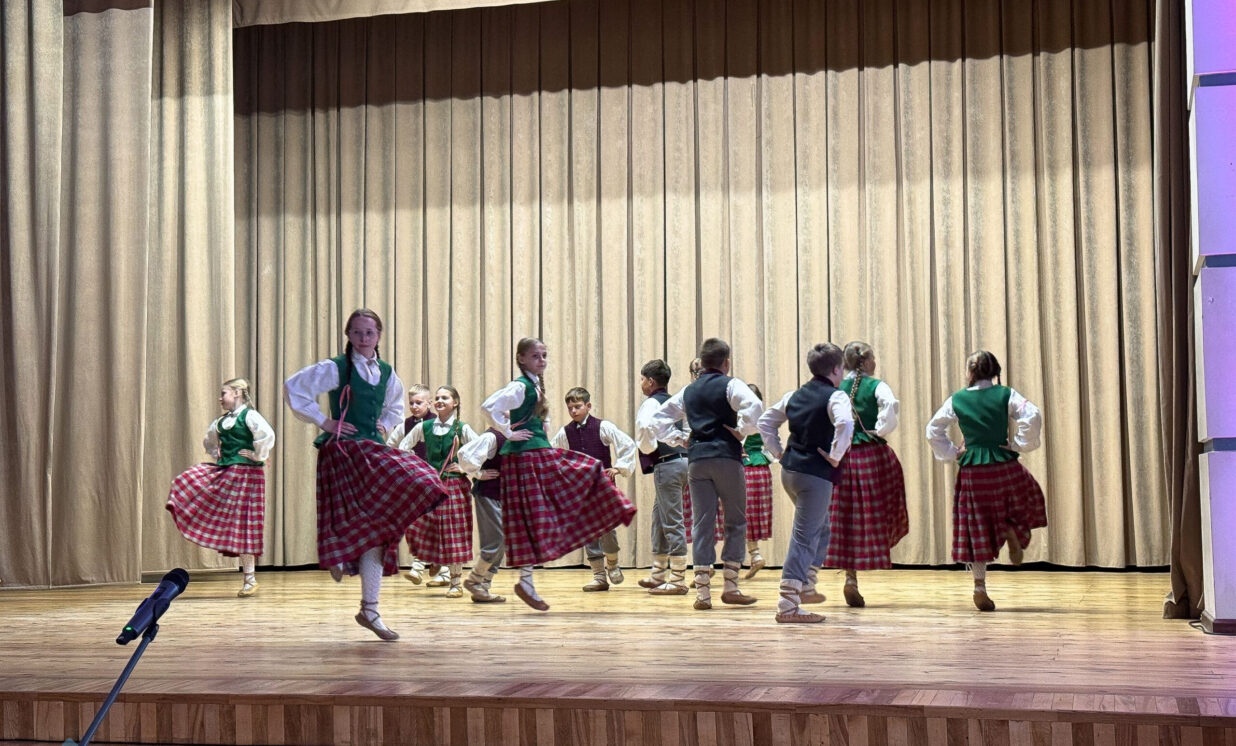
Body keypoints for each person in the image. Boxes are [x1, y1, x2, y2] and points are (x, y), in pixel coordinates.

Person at [284, 308, 446, 640]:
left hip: (371, 449)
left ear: (378, 336)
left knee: (386, 522)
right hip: (343, 452)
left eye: (369, 332)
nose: (363, 338)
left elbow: (394, 406)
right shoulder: (337, 367)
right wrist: (325, 421)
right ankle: (340, 554)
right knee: (355, 520)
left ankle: (369, 609)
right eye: (357, 332)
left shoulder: (386, 372)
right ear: (348, 335)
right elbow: (294, 387)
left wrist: (383, 426)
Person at [479, 337, 636, 611]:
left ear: (588, 406)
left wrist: (619, 468)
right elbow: (491, 409)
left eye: (544, 355)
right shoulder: (525, 391)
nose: (542, 360)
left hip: (562, 467)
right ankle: (594, 575)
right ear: (521, 359)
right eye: (536, 356)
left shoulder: (596, 423)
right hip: (540, 464)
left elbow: (625, 443)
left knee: (597, 524)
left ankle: (610, 562)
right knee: (557, 523)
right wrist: (510, 433)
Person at [925, 349, 1047, 612]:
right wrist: (1018, 444)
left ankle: (979, 586)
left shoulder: (957, 399)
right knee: (1024, 495)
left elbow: (933, 429)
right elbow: (1033, 414)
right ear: (994, 371)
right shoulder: (1006, 394)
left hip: (973, 470)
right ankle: (1011, 528)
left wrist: (952, 452)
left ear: (970, 371)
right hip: (1003, 464)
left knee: (976, 525)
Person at [650, 338, 763, 611]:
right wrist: (743, 431)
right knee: (735, 520)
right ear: (726, 362)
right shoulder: (731, 385)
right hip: (726, 457)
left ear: (701, 362)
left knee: (702, 523)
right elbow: (755, 408)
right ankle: (731, 586)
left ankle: (702, 592)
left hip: (697, 460)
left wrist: (680, 439)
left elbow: (658, 420)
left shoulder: (689, 390)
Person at [757, 343, 854, 623]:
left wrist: (777, 452)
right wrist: (836, 455)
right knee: (804, 536)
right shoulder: (836, 396)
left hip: (790, 472)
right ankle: (788, 604)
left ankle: (806, 584)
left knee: (820, 528)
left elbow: (765, 422)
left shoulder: (794, 395)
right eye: (842, 369)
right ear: (835, 370)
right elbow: (845, 424)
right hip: (815, 475)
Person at [166, 378, 274, 598]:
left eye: (224, 393)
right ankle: (189, 510)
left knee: (244, 525)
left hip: (248, 476)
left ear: (237, 393)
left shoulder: (250, 416)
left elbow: (267, 435)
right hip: (229, 472)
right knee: (190, 480)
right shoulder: (221, 422)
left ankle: (250, 579)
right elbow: (210, 442)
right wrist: (220, 455)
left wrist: (257, 455)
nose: (220, 398)